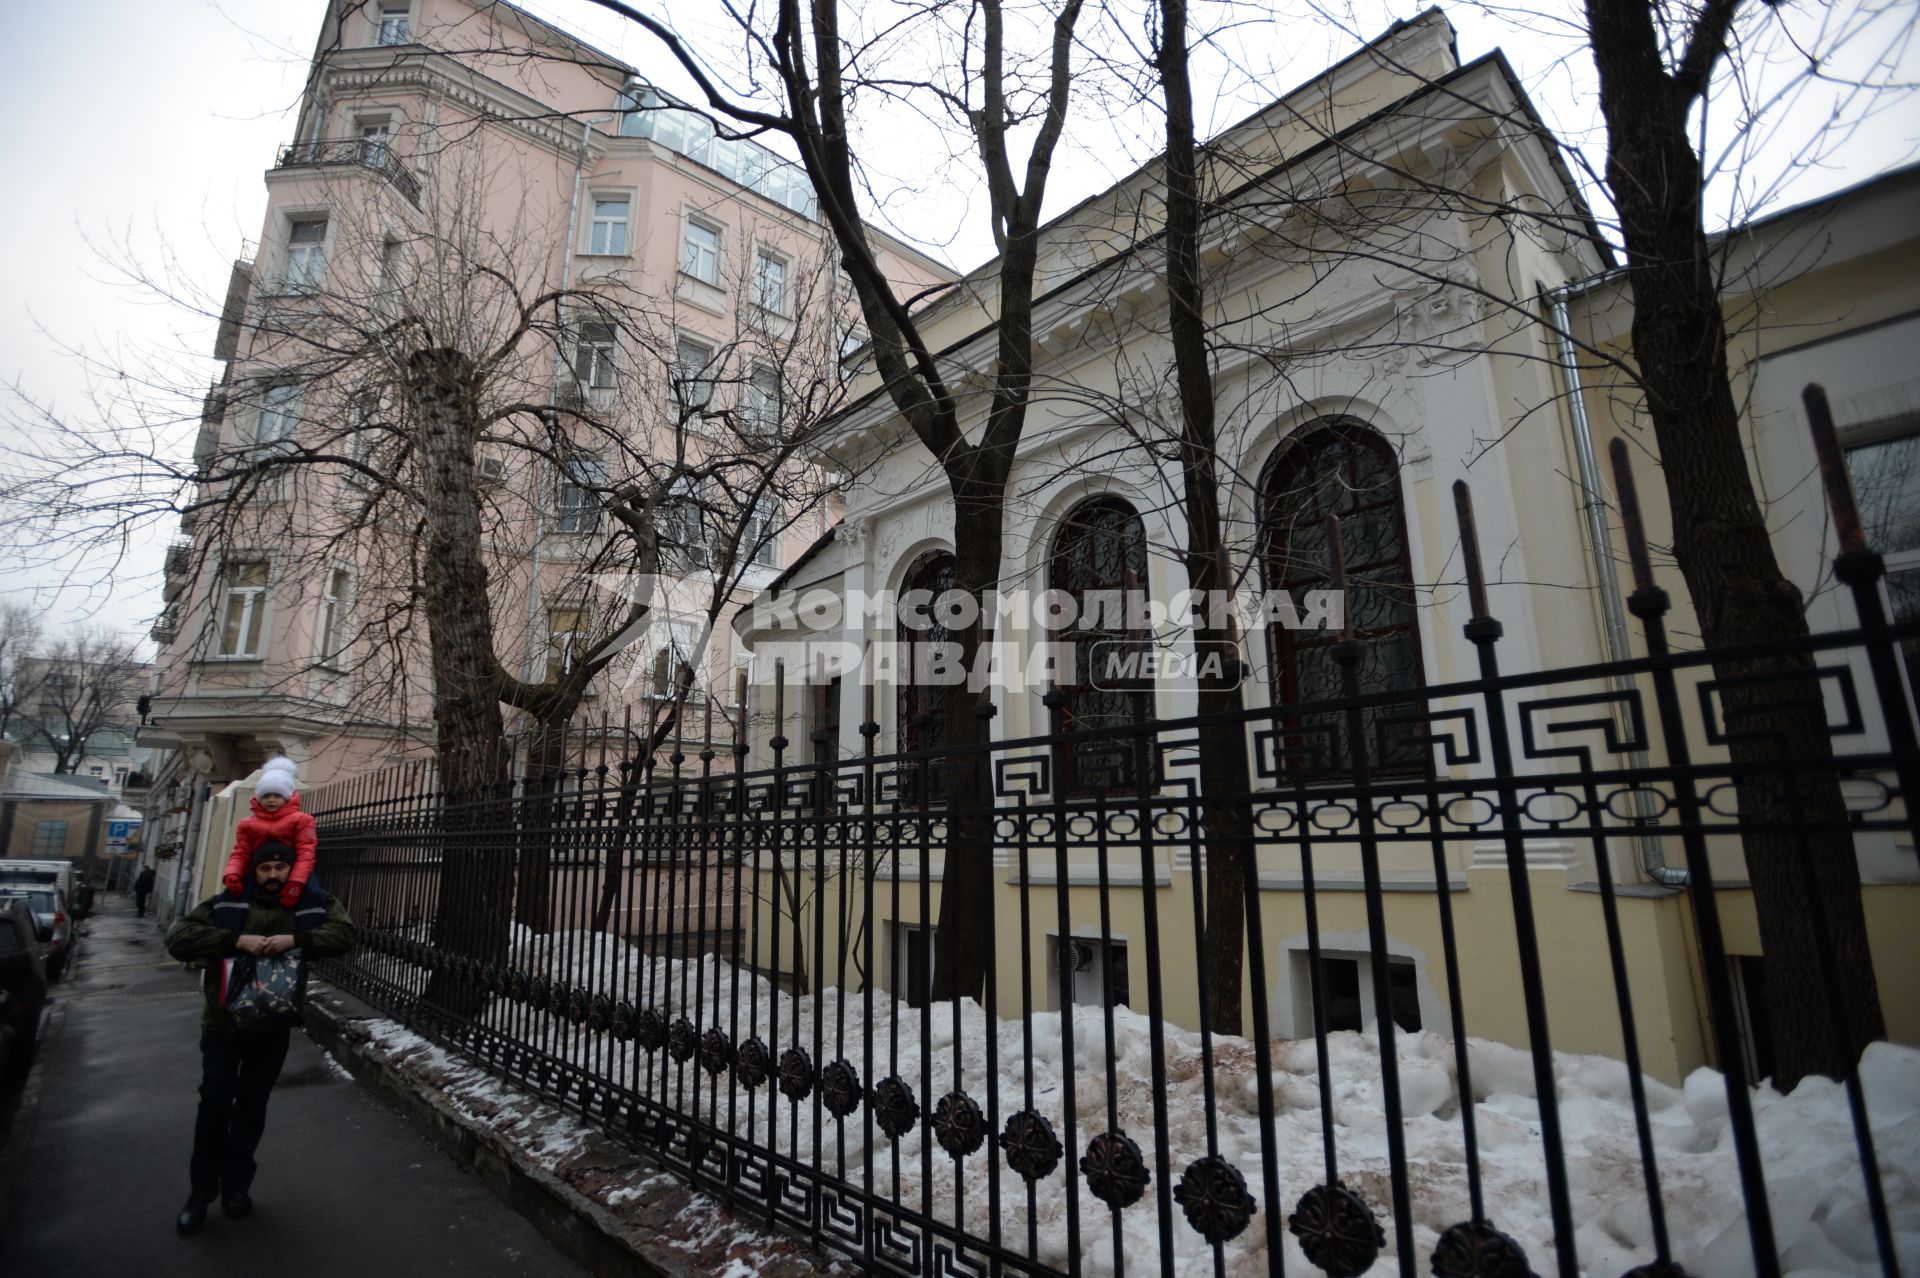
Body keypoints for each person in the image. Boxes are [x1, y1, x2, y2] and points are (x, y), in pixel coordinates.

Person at [165, 839, 355, 1235]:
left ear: (291, 870)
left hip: (271, 1024)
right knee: (214, 1103)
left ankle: (236, 1189)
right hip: (222, 1024)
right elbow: (179, 937)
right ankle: (200, 1194)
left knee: (252, 1104)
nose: (272, 875)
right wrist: (235, 940)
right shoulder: (228, 902)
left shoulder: (309, 903)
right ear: (254, 870)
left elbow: (344, 935)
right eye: (265, 868)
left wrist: (296, 940)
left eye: (279, 868)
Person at [223, 756, 318, 908]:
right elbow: (241, 852)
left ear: (286, 797)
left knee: (314, 897)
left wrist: (296, 882)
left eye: (277, 795)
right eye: (266, 796)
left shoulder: (303, 820)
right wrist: (232, 873)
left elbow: (306, 853)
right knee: (229, 900)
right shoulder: (247, 824)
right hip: (260, 871)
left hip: (292, 872)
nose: (271, 800)